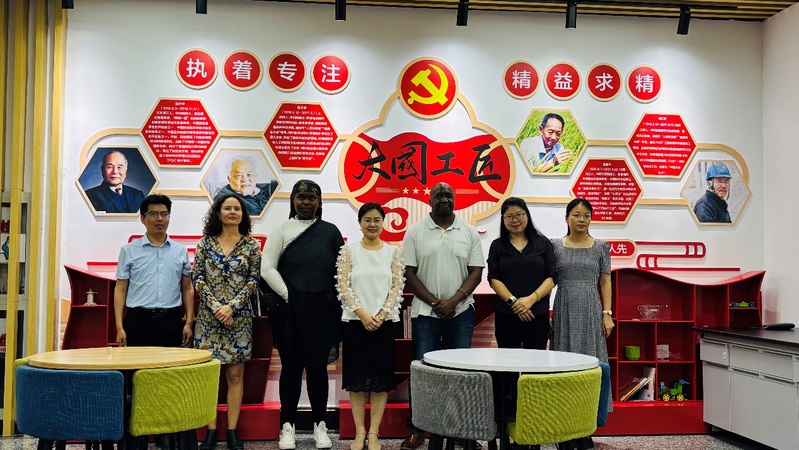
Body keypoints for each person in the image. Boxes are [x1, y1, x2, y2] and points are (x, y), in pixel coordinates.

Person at [260, 180, 344, 450]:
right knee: (291, 369)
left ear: (319, 202)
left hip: (322, 312)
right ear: (293, 200)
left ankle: (320, 425)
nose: (306, 202)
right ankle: (288, 426)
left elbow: (341, 272)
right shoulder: (281, 230)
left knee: (318, 369)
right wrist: (290, 296)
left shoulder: (331, 232)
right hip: (290, 312)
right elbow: (267, 268)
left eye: (311, 197)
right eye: (301, 197)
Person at [400, 182, 484, 450]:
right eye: (439, 195)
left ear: (455, 199)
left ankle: (458, 430)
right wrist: (436, 303)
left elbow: (476, 272)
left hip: (461, 313)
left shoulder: (469, 231)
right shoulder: (415, 232)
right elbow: (408, 272)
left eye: (449, 195)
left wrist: (454, 301)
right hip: (426, 313)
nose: (444, 199)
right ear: (430, 200)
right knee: (422, 372)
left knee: (458, 373)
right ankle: (417, 430)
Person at [113, 194, 194, 450]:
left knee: (167, 379)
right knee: (136, 380)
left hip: (170, 321)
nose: (160, 219)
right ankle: (136, 436)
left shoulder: (180, 251)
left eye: (164, 214)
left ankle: (164, 433)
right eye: (154, 214)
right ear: (143, 218)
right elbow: (120, 289)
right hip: (138, 321)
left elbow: (187, 288)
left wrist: (188, 321)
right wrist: (119, 326)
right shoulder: (129, 250)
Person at [193, 194, 262, 450]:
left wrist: (231, 306)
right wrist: (216, 307)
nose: (232, 212)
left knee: (235, 375)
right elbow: (197, 277)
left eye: (237, 208)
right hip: (208, 320)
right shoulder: (205, 243)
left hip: (239, 318)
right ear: (218, 213)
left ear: (243, 214)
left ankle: (232, 431)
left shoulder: (251, 245)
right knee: (209, 376)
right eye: (227, 208)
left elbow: (253, 280)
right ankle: (211, 431)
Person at [336, 203, 404, 450]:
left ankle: (374, 432)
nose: (372, 224)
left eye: (377, 220)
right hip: (355, 323)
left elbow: (397, 286)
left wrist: (382, 314)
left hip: (384, 324)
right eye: (367, 220)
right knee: (356, 381)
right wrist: (363, 314)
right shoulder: (348, 251)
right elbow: (343, 286)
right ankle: (359, 432)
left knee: (380, 381)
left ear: (383, 223)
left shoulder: (393, 252)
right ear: (360, 223)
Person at [551, 198, 613, 450]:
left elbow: (605, 281)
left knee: (590, 369)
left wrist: (607, 313)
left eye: (586, 215)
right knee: (563, 369)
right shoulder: (554, 246)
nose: (581, 219)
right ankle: (563, 429)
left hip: (591, 309)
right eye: (576, 215)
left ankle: (585, 428)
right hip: (564, 308)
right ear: (566, 218)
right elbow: (548, 280)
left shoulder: (601, 247)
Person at [487, 197, 555, 350]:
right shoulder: (497, 246)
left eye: (519, 214)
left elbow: (552, 276)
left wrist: (531, 299)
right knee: (508, 361)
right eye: (509, 216)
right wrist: (515, 302)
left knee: (537, 361)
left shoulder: (543, 243)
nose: (515, 220)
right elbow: (493, 278)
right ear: (503, 219)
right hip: (507, 315)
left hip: (537, 313)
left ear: (527, 215)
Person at [214, 157, 278, 216]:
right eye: (239, 175)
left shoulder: (264, 188)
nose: (245, 179)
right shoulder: (223, 199)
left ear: (256, 176)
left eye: (249, 174)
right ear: (229, 179)